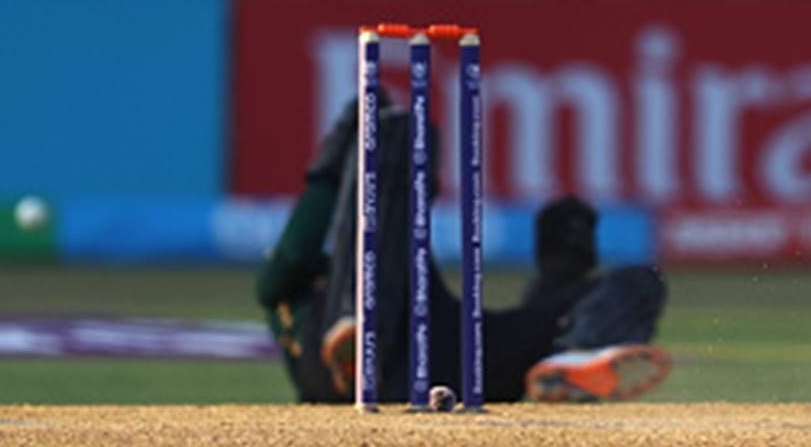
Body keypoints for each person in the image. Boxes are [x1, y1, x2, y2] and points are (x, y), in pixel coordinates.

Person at [256, 105, 671, 405]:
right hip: (358, 369)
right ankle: (364, 333)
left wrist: (558, 278)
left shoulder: (408, 259)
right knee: (397, 132)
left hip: (454, 354)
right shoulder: (306, 282)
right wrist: (334, 164)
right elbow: (285, 265)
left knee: (638, 279)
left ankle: (575, 358)